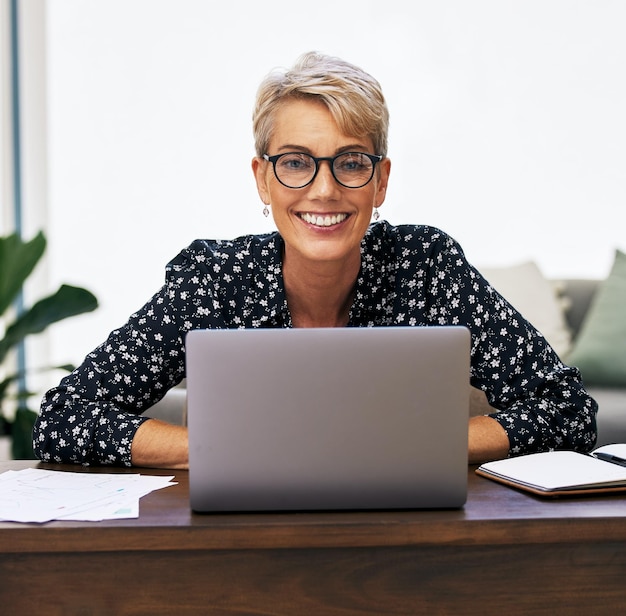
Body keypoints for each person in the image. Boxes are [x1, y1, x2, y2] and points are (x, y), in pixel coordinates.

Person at [34, 51, 597, 469]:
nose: (324, 190)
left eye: (350, 162)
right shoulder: (213, 280)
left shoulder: (428, 266)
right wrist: (229, 451)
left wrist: (414, 443)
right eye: (297, 162)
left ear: (380, 181)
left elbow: (567, 410)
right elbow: (64, 417)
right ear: (263, 180)